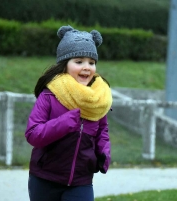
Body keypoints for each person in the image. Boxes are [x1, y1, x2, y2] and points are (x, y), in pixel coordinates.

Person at [25, 25, 113, 201]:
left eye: (91, 62)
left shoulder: (98, 98)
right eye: (79, 61)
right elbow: (33, 134)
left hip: (81, 180)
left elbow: (102, 130)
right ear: (65, 65)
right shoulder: (50, 94)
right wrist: (67, 121)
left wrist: (104, 152)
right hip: (45, 179)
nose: (87, 67)